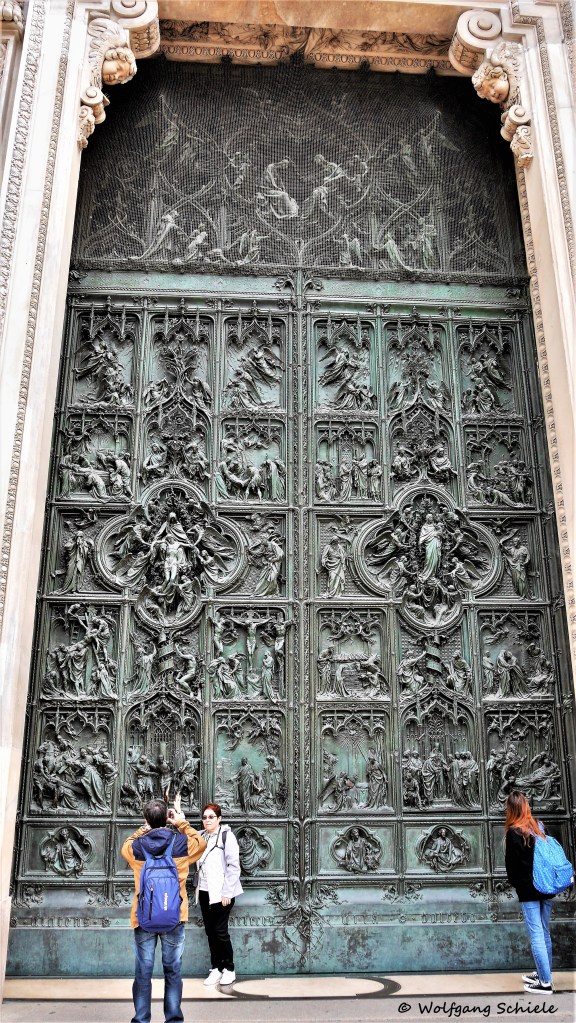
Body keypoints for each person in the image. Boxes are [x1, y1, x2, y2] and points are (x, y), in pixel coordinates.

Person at [121, 796, 206, 1023]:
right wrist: (181, 822)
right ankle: (174, 1019)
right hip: (174, 916)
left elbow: (125, 847)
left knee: (143, 971)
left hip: (144, 917)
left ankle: (141, 1019)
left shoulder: (137, 847)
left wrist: (143, 828)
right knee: (173, 970)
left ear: (146, 819)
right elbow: (201, 843)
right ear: (167, 818)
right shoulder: (181, 843)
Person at [504, 790, 555, 994]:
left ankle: (545, 983)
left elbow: (511, 865)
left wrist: (517, 884)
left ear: (512, 809)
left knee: (536, 935)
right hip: (546, 886)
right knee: (544, 932)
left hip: (528, 889)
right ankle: (545, 973)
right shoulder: (540, 826)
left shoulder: (514, 832)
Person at [196, 802, 243, 987]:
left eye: (211, 817)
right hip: (204, 891)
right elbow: (187, 838)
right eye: (205, 817)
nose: (207, 820)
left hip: (222, 893)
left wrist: (227, 893)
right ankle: (216, 968)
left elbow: (234, 866)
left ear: (219, 818)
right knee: (210, 931)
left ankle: (229, 969)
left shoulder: (226, 836)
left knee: (220, 932)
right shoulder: (201, 836)